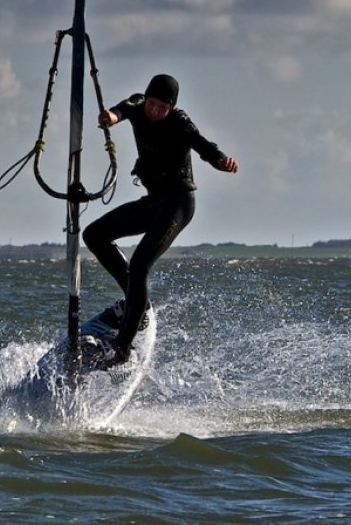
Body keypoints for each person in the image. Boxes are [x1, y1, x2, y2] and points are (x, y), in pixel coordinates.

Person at [86, 73, 238, 363]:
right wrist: (110, 117)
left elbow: (204, 147)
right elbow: (120, 111)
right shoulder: (138, 105)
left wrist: (222, 160)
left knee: (141, 262)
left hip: (178, 204)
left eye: (161, 107)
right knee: (94, 235)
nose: (154, 111)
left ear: (171, 107)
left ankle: (122, 348)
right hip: (154, 202)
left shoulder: (180, 122)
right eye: (152, 104)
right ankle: (136, 304)